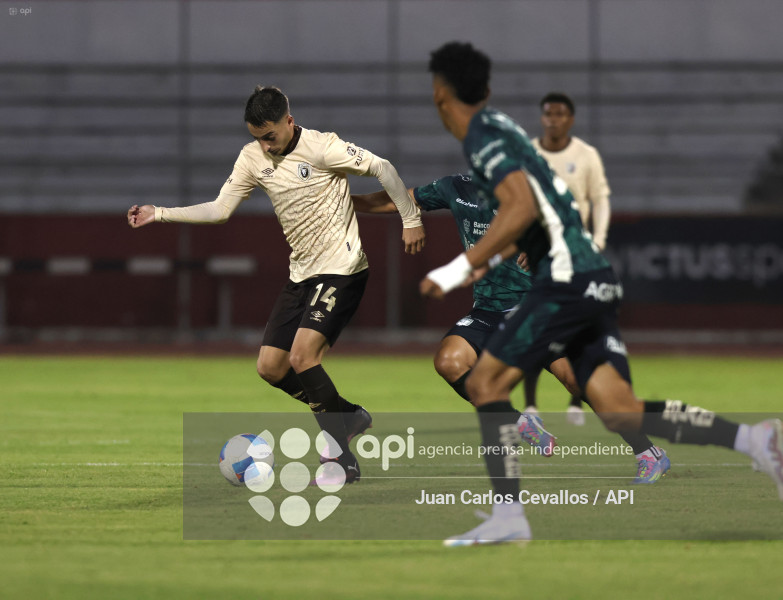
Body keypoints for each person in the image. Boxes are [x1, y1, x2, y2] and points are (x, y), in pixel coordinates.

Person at [420, 41, 783, 546]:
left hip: (566, 280)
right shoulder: (501, 131)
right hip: (585, 274)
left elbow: (522, 204)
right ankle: (753, 439)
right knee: (615, 406)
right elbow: (545, 198)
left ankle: (510, 516)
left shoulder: (483, 135)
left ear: (441, 93)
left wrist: (461, 264)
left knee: (487, 384)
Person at [127, 85, 425, 484]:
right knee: (270, 368)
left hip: (342, 268)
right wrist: (159, 213)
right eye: (257, 138)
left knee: (303, 358)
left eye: (270, 136)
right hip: (301, 274)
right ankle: (348, 416)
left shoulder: (323, 148)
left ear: (289, 120)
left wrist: (411, 219)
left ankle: (341, 460)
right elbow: (219, 210)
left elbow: (383, 167)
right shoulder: (252, 157)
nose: (265, 146)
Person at [353, 177, 671, 483]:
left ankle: (648, 452)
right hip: (490, 309)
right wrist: (345, 201)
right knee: (449, 361)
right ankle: (519, 422)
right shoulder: (456, 187)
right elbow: (400, 199)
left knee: (577, 380)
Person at [526, 92, 612, 425]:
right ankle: (533, 404)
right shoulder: (529, 153)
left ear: (570, 119)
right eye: (548, 113)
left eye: (560, 114)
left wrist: (599, 240)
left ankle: (577, 396)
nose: (553, 119)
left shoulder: (586, 155)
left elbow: (600, 199)